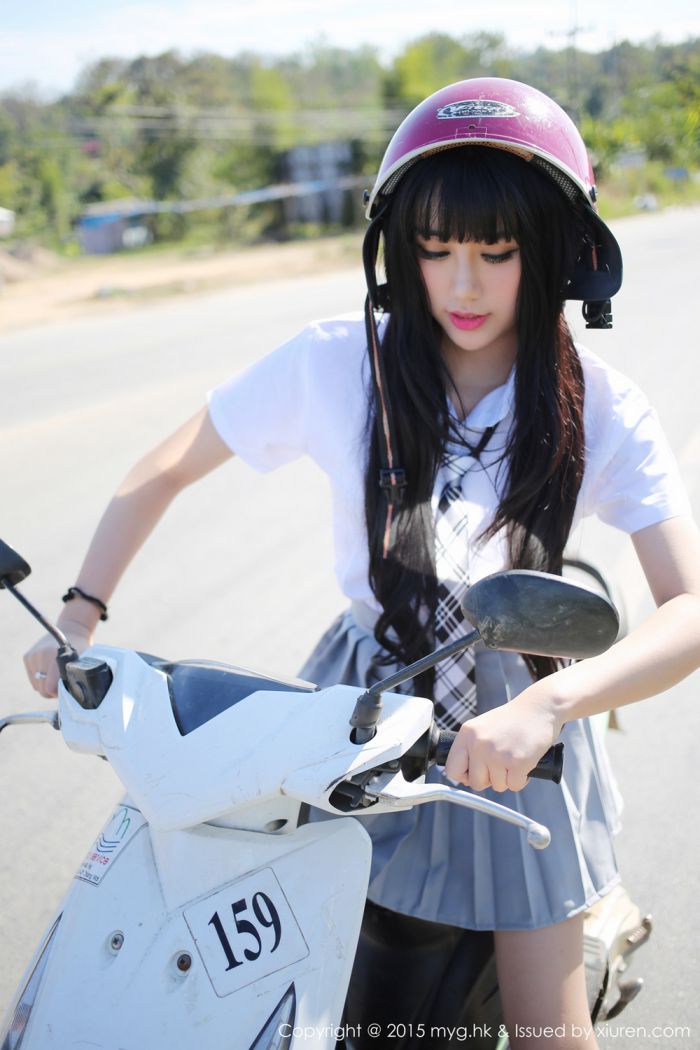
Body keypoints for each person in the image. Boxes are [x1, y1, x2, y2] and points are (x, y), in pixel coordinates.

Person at [24, 78, 700, 1048]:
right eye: (436, 250)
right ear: (398, 252)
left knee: (547, 1030)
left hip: (520, 726)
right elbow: (159, 471)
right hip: (361, 697)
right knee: (249, 978)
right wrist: (82, 613)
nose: (461, 285)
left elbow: (686, 610)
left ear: (553, 251)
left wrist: (546, 707)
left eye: (495, 253)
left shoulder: (597, 401)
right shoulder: (335, 362)